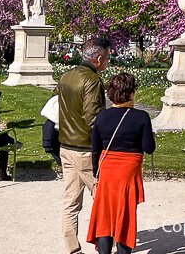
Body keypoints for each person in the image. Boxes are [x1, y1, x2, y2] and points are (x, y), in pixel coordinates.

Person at [87, 72, 156, 254]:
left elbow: (95, 149)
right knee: (125, 214)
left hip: (108, 170)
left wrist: (97, 173)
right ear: (131, 93)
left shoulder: (102, 117)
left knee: (104, 214)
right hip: (128, 171)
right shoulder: (141, 117)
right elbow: (149, 148)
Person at [56, 37, 110, 254]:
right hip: (86, 150)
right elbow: (93, 118)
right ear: (98, 59)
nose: (108, 62)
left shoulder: (66, 76)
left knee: (71, 201)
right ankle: (105, 244)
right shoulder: (92, 80)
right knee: (103, 199)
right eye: (107, 57)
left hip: (66, 146)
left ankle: (72, 248)